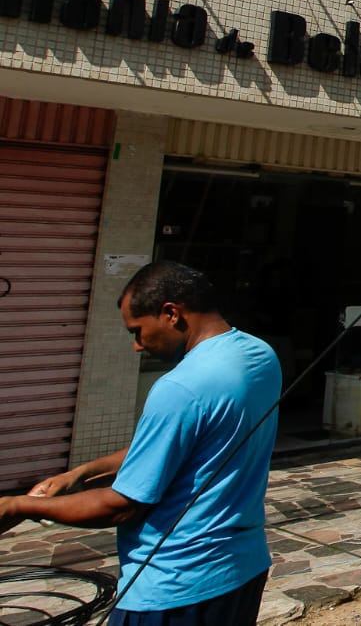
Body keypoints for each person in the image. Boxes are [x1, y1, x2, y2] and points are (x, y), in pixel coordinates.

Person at [0, 261, 282, 623]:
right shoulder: (259, 356)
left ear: (170, 313)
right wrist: (84, 472)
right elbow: (181, 444)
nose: (137, 346)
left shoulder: (179, 387)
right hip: (242, 571)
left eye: (137, 331)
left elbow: (121, 506)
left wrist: (18, 507)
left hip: (175, 587)